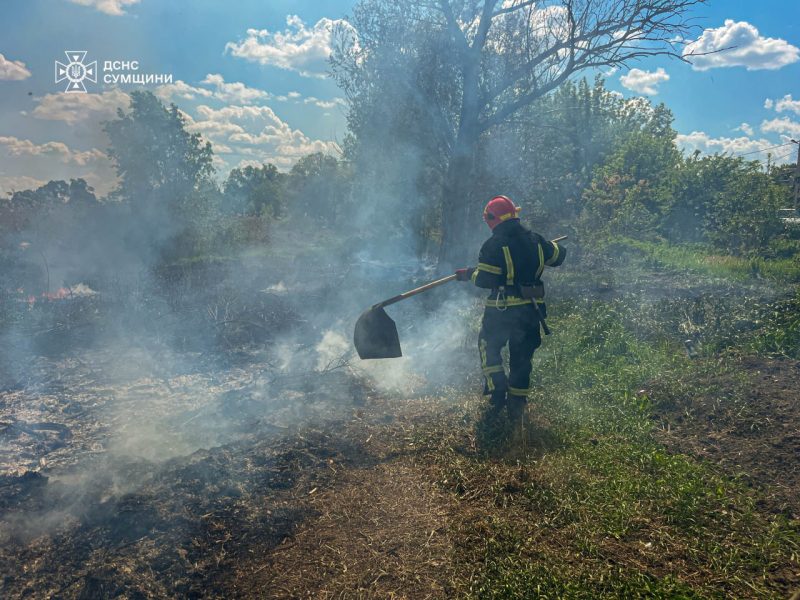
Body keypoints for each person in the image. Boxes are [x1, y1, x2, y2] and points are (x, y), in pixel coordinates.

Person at [455, 195, 566, 422]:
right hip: (532, 312)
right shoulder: (535, 239)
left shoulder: (494, 244)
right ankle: (517, 406)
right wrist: (544, 245)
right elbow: (559, 256)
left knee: (488, 346)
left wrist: (469, 274)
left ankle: (497, 391)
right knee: (522, 359)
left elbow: (485, 279)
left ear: (492, 218)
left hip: (502, 312)